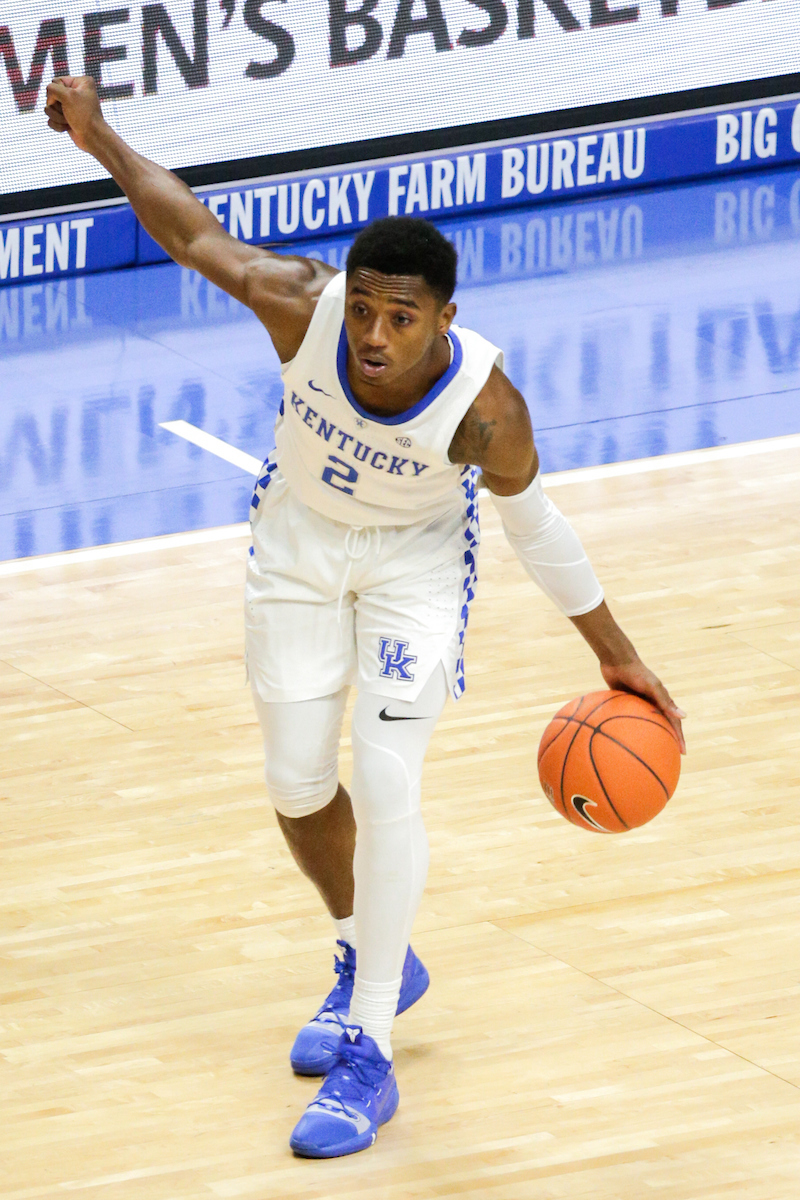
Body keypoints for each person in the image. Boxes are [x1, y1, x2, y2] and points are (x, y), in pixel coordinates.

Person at [45, 76, 686, 1160]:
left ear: (445, 318)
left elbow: (537, 532)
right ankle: (367, 950)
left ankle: (370, 1051)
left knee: (387, 779)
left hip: (414, 569)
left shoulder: (486, 412)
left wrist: (620, 660)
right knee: (298, 783)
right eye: (367, 309)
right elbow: (189, 229)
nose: (376, 335)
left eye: (402, 317)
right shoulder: (300, 308)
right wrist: (99, 133)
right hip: (295, 545)